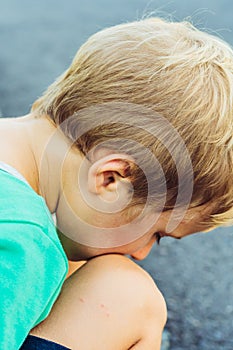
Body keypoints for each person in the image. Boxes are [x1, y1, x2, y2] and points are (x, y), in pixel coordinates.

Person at [1, 16, 233, 350]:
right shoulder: (23, 242)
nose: (140, 254)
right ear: (111, 179)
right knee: (130, 295)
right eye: (157, 234)